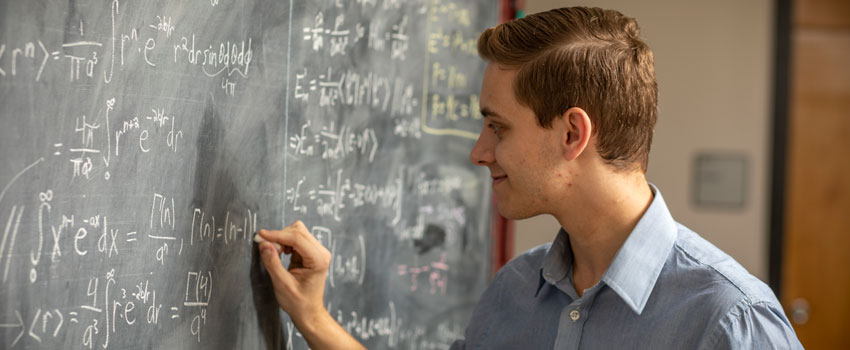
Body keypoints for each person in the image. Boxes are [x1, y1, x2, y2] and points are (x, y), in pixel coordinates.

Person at [256, 6, 803, 349]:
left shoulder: (729, 322)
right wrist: (312, 316)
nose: (478, 152)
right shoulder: (514, 292)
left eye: (497, 127)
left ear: (572, 133)